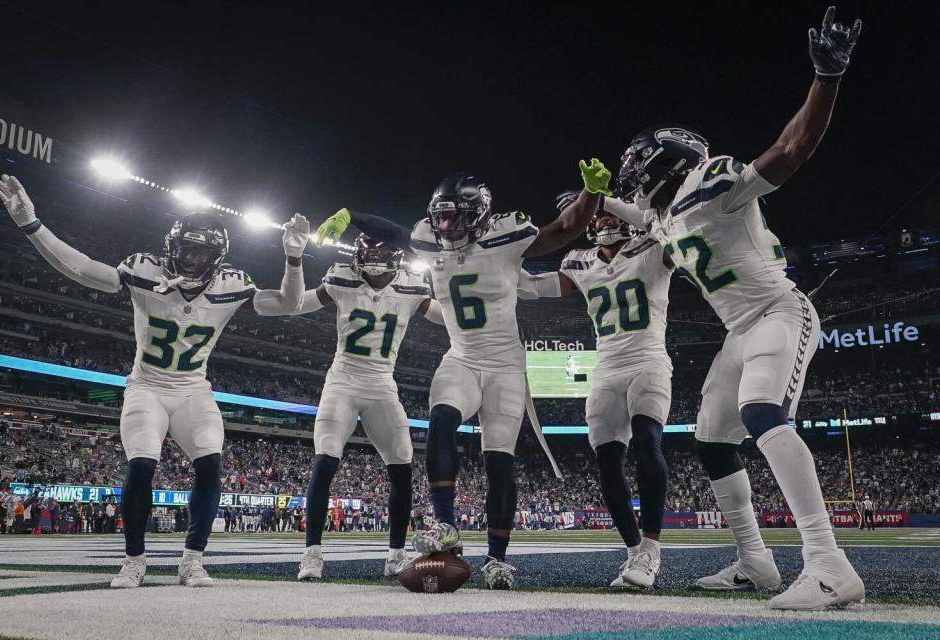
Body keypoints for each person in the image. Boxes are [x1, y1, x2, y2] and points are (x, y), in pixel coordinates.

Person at [606, 6, 863, 609]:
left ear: (662, 164)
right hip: (737, 332)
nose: (629, 179)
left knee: (760, 411)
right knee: (712, 440)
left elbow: (791, 148)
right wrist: (599, 200)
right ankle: (756, 562)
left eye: (635, 169)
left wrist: (826, 77)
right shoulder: (668, 216)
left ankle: (828, 563)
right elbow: (648, 219)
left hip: (778, 311)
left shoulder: (714, 185)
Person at [0, 175, 309, 588]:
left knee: (211, 464)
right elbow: (84, 269)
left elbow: (288, 303)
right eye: (185, 250)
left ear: (217, 258)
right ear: (169, 248)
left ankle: (192, 559)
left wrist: (294, 257)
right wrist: (32, 225)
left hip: (193, 389)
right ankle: (134, 560)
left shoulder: (232, 285)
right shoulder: (145, 271)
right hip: (147, 386)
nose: (191, 260)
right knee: (141, 465)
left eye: (201, 253)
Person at [314, 158, 612, 588]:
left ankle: (497, 559)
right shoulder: (428, 239)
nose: (448, 225)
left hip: (506, 364)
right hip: (463, 356)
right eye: (442, 216)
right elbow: (395, 231)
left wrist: (590, 194)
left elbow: (564, 230)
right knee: (441, 418)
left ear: (480, 215)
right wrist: (350, 214)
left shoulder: (506, 236)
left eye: (456, 216)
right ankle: (446, 525)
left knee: (499, 462)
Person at [519, 195, 674, 589]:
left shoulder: (652, 246)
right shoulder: (581, 262)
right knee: (607, 460)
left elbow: (676, 233)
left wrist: (615, 201)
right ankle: (634, 551)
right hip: (606, 367)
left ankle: (652, 547)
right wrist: (497, 267)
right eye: (598, 213)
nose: (604, 220)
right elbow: (536, 288)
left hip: (648, 359)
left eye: (608, 211)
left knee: (647, 442)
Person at [293, 234, 445, 580]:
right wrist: (294, 261)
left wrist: (467, 303)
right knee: (326, 457)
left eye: (380, 252)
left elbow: (444, 316)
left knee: (403, 460)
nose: (373, 259)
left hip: (382, 384)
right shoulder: (341, 277)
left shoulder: (412, 286)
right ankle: (312, 554)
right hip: (342, 381)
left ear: (394, 257)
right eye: (368, 253)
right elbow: (300, 303)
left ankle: (395, 555)